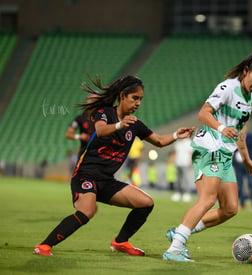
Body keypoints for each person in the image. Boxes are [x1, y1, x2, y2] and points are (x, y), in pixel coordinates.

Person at [33, 75, 194, 256]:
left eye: (141, 99)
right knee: (87, 211)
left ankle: (120, 242)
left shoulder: (135, 124)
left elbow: (158, 141)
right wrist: (119, 124)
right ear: (122, 96)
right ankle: (44, 246)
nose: (138, 103)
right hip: (85, 176)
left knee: (146, 203)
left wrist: (175, 135)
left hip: (107, 181)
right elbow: (100, 130)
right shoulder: (104, 113)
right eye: (135, 98)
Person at [163, 49, 252, 262]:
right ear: (246, 71)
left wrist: (246, 158)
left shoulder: (251, 98)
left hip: (226, 153)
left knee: (230, 208)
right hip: (209, 148)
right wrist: (221, 128)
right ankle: (175, 248)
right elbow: (203, 113)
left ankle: (181, 231)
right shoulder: (228, 87)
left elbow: (239, 131)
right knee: (207, 200)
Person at [233, 132, 252, 210]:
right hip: (238, 165)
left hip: (249, 164)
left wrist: (240, 139)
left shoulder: (250, 136)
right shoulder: (233, 134)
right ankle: (242, 204)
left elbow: (248, 144)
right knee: (240, 185)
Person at [172, 137, 193, 202]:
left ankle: (187, 194)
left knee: (186, 179)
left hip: (185, 163)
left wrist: (190, 162)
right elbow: (175, 153)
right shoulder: (177, 142)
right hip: (178, 163)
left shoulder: (188, 142)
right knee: (178, 179)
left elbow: (191, 153)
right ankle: (178, 193)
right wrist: (173, 161)